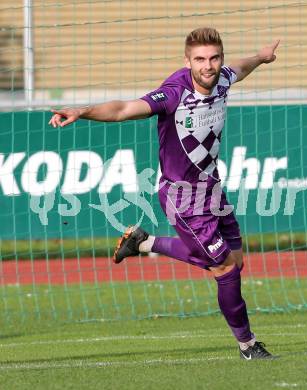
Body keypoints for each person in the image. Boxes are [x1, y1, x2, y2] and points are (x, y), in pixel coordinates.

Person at [49, 27, 280, 360]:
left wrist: (260, 57)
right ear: (188, 61)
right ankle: (248, 346)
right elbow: (122, 110)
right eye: (200, 59)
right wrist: (82, 112)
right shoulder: (173, 93)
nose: (208, 65)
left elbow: (239, 70)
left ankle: (144, 242)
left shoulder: (224, 78)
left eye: (214, 58)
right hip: (182, 198)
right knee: (225, 269)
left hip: (212, 189)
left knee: (235, 261)